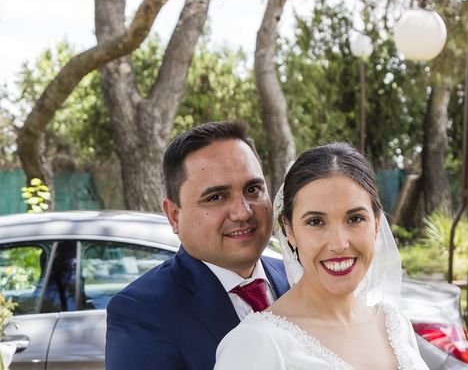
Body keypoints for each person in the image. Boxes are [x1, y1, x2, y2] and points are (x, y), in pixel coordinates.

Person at [215, 142, 429, 370]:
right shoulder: (257, 343)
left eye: (355, 219)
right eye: (316, 222)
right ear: (290, 231)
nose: (339, 243)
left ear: (376, 225)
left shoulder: (395, 325)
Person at [106, 121, 289, 370]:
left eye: (253, 189)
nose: (243, 212)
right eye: (216, 197)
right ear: (174, 215)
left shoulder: (298, 278)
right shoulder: (141, 312)